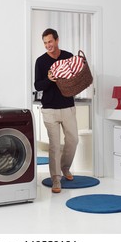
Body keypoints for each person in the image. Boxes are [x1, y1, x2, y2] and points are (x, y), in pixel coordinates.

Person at [34, 28, 78, 193]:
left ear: (57, 40)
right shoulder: (41, 61)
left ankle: (65, 167)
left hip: (68, 106)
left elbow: (75, 77)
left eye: (50, 42)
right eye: (45, 43)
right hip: (49, 109)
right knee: (54, 146)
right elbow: (37, 85)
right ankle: (56, 179)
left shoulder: (68, 56)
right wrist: (49, 79)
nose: (48, 45)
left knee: (73, 140)